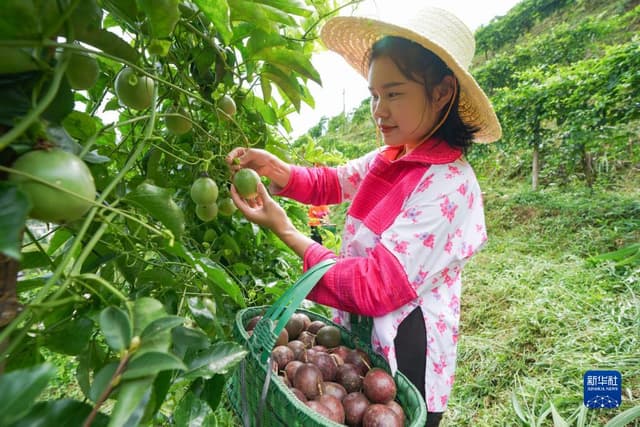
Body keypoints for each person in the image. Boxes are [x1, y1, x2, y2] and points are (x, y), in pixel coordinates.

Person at [226, 6, 501, 426]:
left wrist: (285, 230)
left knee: (398, 413)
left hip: (407, 347)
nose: (379, 110)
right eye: (374, 95)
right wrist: (278, 172)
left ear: (443, 92)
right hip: (365, 335)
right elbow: (332, 182)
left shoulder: (450, 184)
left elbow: (375, 286)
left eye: (394, 94)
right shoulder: (394, 156)